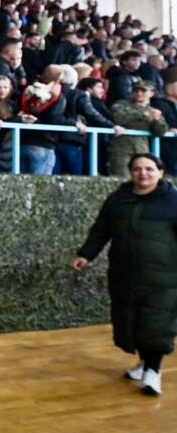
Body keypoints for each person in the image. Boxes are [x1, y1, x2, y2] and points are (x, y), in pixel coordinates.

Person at [72, 153, 177, 396]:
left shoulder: (173, 201)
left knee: (156, 323)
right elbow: (101, 230)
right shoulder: (118, 200)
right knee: (132, 321)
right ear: (131, 173)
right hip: (124, 274)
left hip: (163, 277)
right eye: (138, 169)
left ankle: (153, 372)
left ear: (161, 172)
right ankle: (144, 363)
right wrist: (86, 255)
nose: (143, 174)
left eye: (149, 169)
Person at [108, 80, 169, 177]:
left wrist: (156, 120)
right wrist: (143, 115)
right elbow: (118, 118)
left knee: (141, 179)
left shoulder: (153, 111)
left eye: (143, 91)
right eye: (136, 90)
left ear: (151, 93)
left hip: (141, 150)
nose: (139, 93)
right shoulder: (121, 104)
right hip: (121, 149)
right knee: (120, 178)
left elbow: (161, 131)